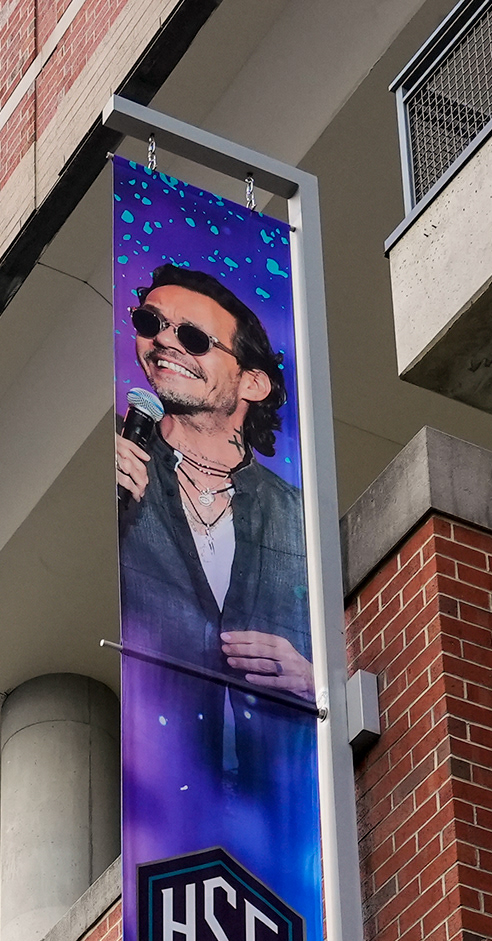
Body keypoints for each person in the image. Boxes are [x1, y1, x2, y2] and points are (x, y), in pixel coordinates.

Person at [114, 263, 316, 701]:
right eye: (150, 323)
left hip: (269, 750)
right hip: (145, 745)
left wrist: (315, 681)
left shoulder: (300, 518)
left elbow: (363, 644)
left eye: (193, 338)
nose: (164, 340)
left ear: (253, 383)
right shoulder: (109, 453)